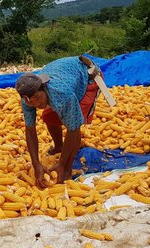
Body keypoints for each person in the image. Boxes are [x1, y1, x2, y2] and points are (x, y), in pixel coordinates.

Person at [15, 56, 100, 188]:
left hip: (88, 78)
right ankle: (59, 147)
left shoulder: (62, 94)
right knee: (49, 117)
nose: (36, 104)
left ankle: (67, 167)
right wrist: (36, 164)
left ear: (44, 88)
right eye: (31, 101)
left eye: (38, 98)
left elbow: (74, 129)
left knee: (74, 123)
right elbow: (30, 130)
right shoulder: (28, 98)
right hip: (66, 73)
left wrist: (62, 164)